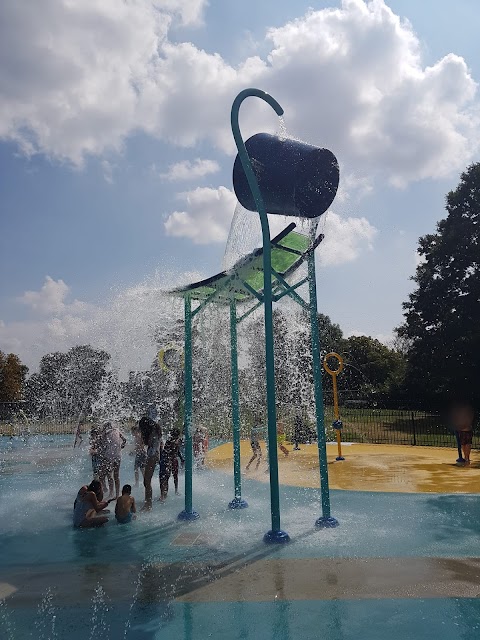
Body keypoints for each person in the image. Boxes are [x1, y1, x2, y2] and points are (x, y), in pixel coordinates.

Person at [139, 416, 162, 510]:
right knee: (147, 481)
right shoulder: (156, 430)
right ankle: (148, 503)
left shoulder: (153, 433)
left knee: (147, 481)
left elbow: (148, 443)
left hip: (152, 456)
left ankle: (148, 505)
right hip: (154, 455)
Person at [103, 422, 127, 498]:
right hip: (117, 455)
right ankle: (117, 495)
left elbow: (102, 443)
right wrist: (122, 446)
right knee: (116, 475)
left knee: (109, 475)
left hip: (109, 456)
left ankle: (111, 493)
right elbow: (124, 439)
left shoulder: (105, 433)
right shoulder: (117, 430)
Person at [162, 429, 184, 497]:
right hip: (173, 460)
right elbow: (177, 451)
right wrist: (181, 459)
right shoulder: (178, 441)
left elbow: (165, 451)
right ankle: (176, 491)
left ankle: (165, 493)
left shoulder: (169, 441)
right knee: (175, 476)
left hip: (168, 460)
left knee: (167, 477)